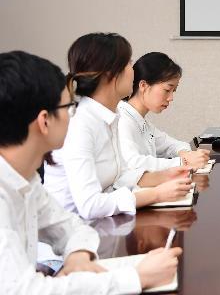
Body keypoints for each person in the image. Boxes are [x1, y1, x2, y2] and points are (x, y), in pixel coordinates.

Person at [0, 50, 181, 294]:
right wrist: (136, 277)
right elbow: (22, 290)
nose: (73, 114)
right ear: (44, 121)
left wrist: (78, 255)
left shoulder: (26, 180)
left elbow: (72, 227)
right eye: (68, 106)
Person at [44, 33, 192, 220]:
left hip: (101, 224)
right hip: (74, 230)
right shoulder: (80, 124)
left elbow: (119, 176)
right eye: (129, 63)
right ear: (110, 74)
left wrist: (165, 176)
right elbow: (90, 205)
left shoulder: (110, 116)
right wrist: (156, 194)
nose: (134, 70)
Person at [118, 52, 209, 172]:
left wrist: (187, 154)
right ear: (143, 85)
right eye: (167, 90)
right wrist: (184, 161)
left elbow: (174, 145)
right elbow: (133, 164)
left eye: (173, 91)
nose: (171, 98)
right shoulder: (121, 119)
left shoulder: (142, 122)